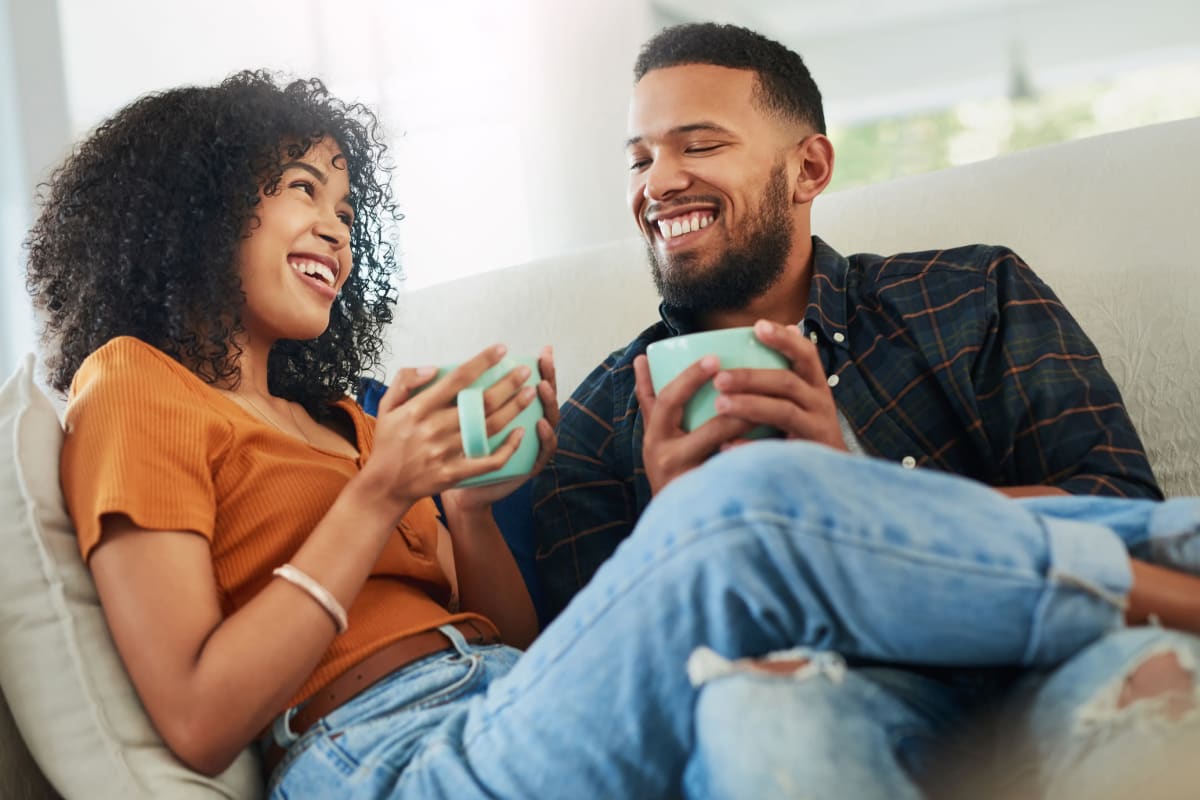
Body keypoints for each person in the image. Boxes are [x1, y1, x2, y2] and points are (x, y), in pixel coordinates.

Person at [25, 66, 1200, 800]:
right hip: (379, 761)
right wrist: (380, 496)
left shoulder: (344, 415)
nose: (332, 224)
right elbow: (193, 717)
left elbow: (520, 640)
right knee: (731, 511)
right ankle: (1177, 559)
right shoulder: (133, 385)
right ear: (192, 202)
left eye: (344, 202)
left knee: (750, 608)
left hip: (508, 701)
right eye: (297, 187)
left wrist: (473, 505)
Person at [533, 22, 1200, 799]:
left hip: (1045, 663)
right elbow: (593, 691)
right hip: (819, 699)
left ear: (807, 168)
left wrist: (857, 496)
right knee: (758, 716)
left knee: (1161, 678)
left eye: (700, 146)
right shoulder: (599, 419)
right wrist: (693, 543)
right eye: (641, 159)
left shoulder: (971, 295)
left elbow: (1121, 512)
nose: (659, 182)